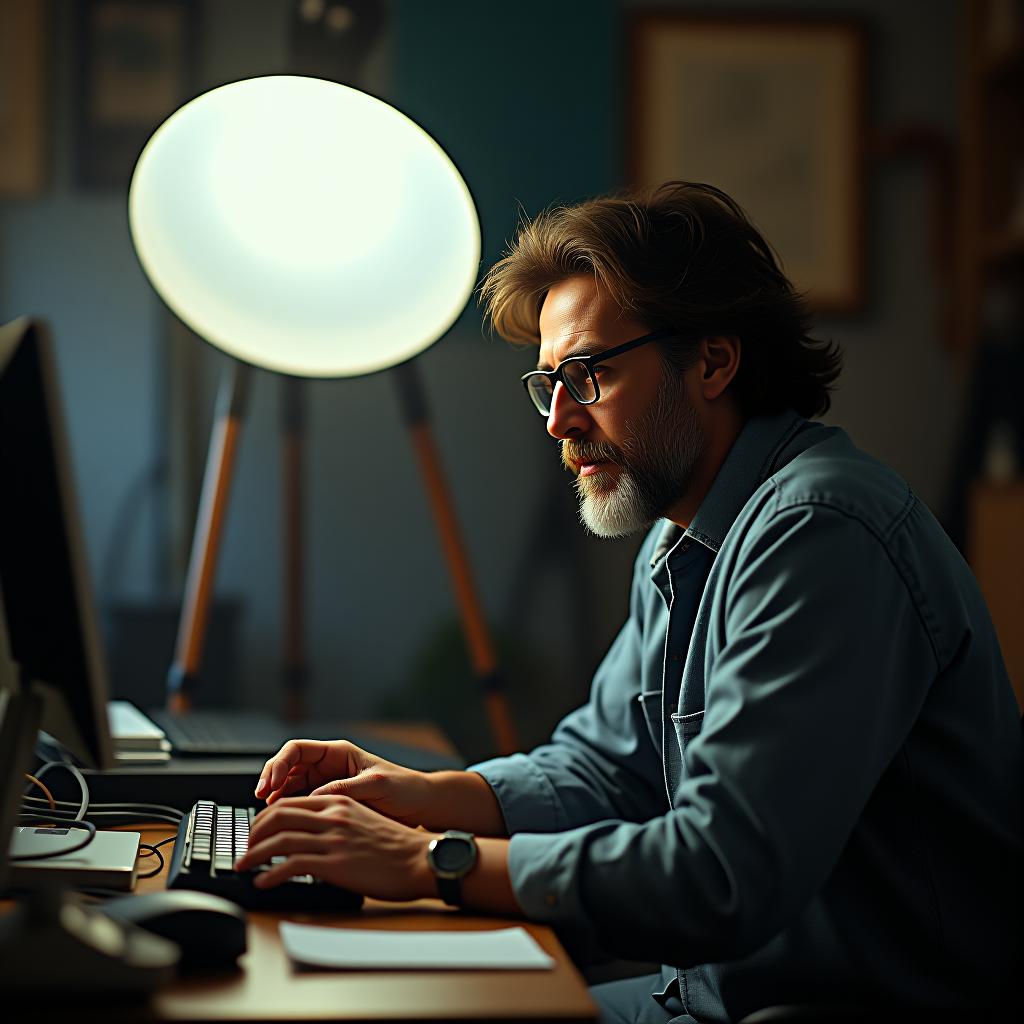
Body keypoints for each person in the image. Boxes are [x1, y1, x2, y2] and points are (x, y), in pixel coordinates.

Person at [234, 182, 1023, 1022]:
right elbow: (606, 767)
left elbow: (719, 875)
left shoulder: (820, 533)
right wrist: (420, 794)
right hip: (699, 1001)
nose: (559, 420)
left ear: (715, 361)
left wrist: (434, 860)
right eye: (548, 384)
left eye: (588, 374)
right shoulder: (683, 534)